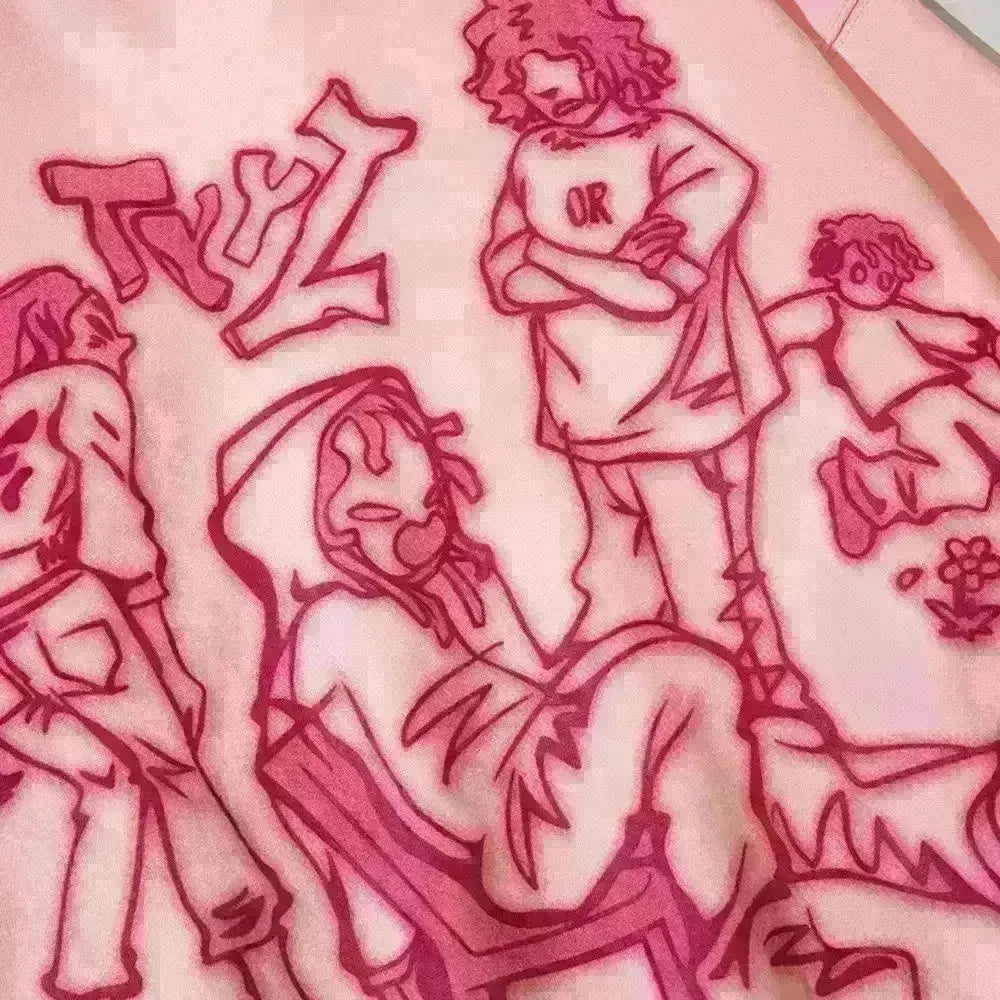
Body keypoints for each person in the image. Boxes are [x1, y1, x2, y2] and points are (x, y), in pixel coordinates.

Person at [210, 366, 787, 999]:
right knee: (676, 677)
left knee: (681, 695)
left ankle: (744, 953)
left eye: (430, 497)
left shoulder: (461, 584)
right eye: (377, 510)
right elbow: (315, 793)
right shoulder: (332, 622)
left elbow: (537, 692)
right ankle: (747, 953)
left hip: (548, 784)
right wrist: (385, 960)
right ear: (320, 527)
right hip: (521, 842)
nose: (422, 524)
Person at [0, 266, 313, 1000]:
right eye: (95, 324)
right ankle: (267, 972)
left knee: (108, 782)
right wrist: (170, 666)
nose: (121, 341)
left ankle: (88, 976)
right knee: (182, 785)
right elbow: (115, 534)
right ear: (51, 335)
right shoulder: (81, 388)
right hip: (62, 615)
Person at [465, 0, 792, 702]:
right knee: (619, 595)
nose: (548, 97)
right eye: (527, 85)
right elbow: (504, 280)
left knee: (717, 602)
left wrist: (547, 254)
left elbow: (654, 294)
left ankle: (771, 728)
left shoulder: (692, 153)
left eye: (561, 71)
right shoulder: (533, 155)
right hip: (584, 416)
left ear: (601, 54)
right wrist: (602, 267)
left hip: (687, 413)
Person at [764, 212, 1000, 558]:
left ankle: (871, 489)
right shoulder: (828, 310)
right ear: (833, 268)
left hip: (942, 397)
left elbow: (947, 330)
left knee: (975, 474)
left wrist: (985, 340)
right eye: (859, 273)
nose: (873, 287)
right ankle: (867, 486)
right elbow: (770, 328)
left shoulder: (901, 314)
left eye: (886, 278)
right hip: (915, 407)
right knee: (970, 477)